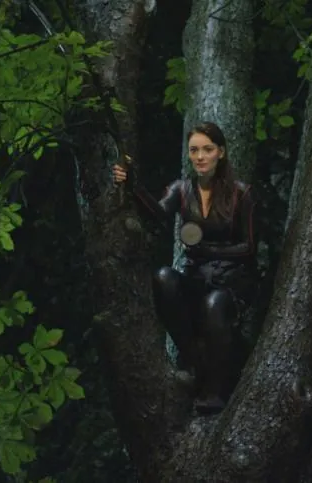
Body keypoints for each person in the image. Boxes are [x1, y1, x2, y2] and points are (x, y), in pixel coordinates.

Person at [112, 121, 258, 414]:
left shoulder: (242, 193)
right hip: (196, 277)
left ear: (221, 152)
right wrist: (132, 184)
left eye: (207, 149)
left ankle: (214, 391)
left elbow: (249, 247)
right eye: (194, 150)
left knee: (214, 305)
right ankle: (194, 361)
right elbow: (157, 215)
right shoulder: (181, 189)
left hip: (231, 282)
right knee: (163, 278)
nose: (200, 156)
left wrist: (209, 250)